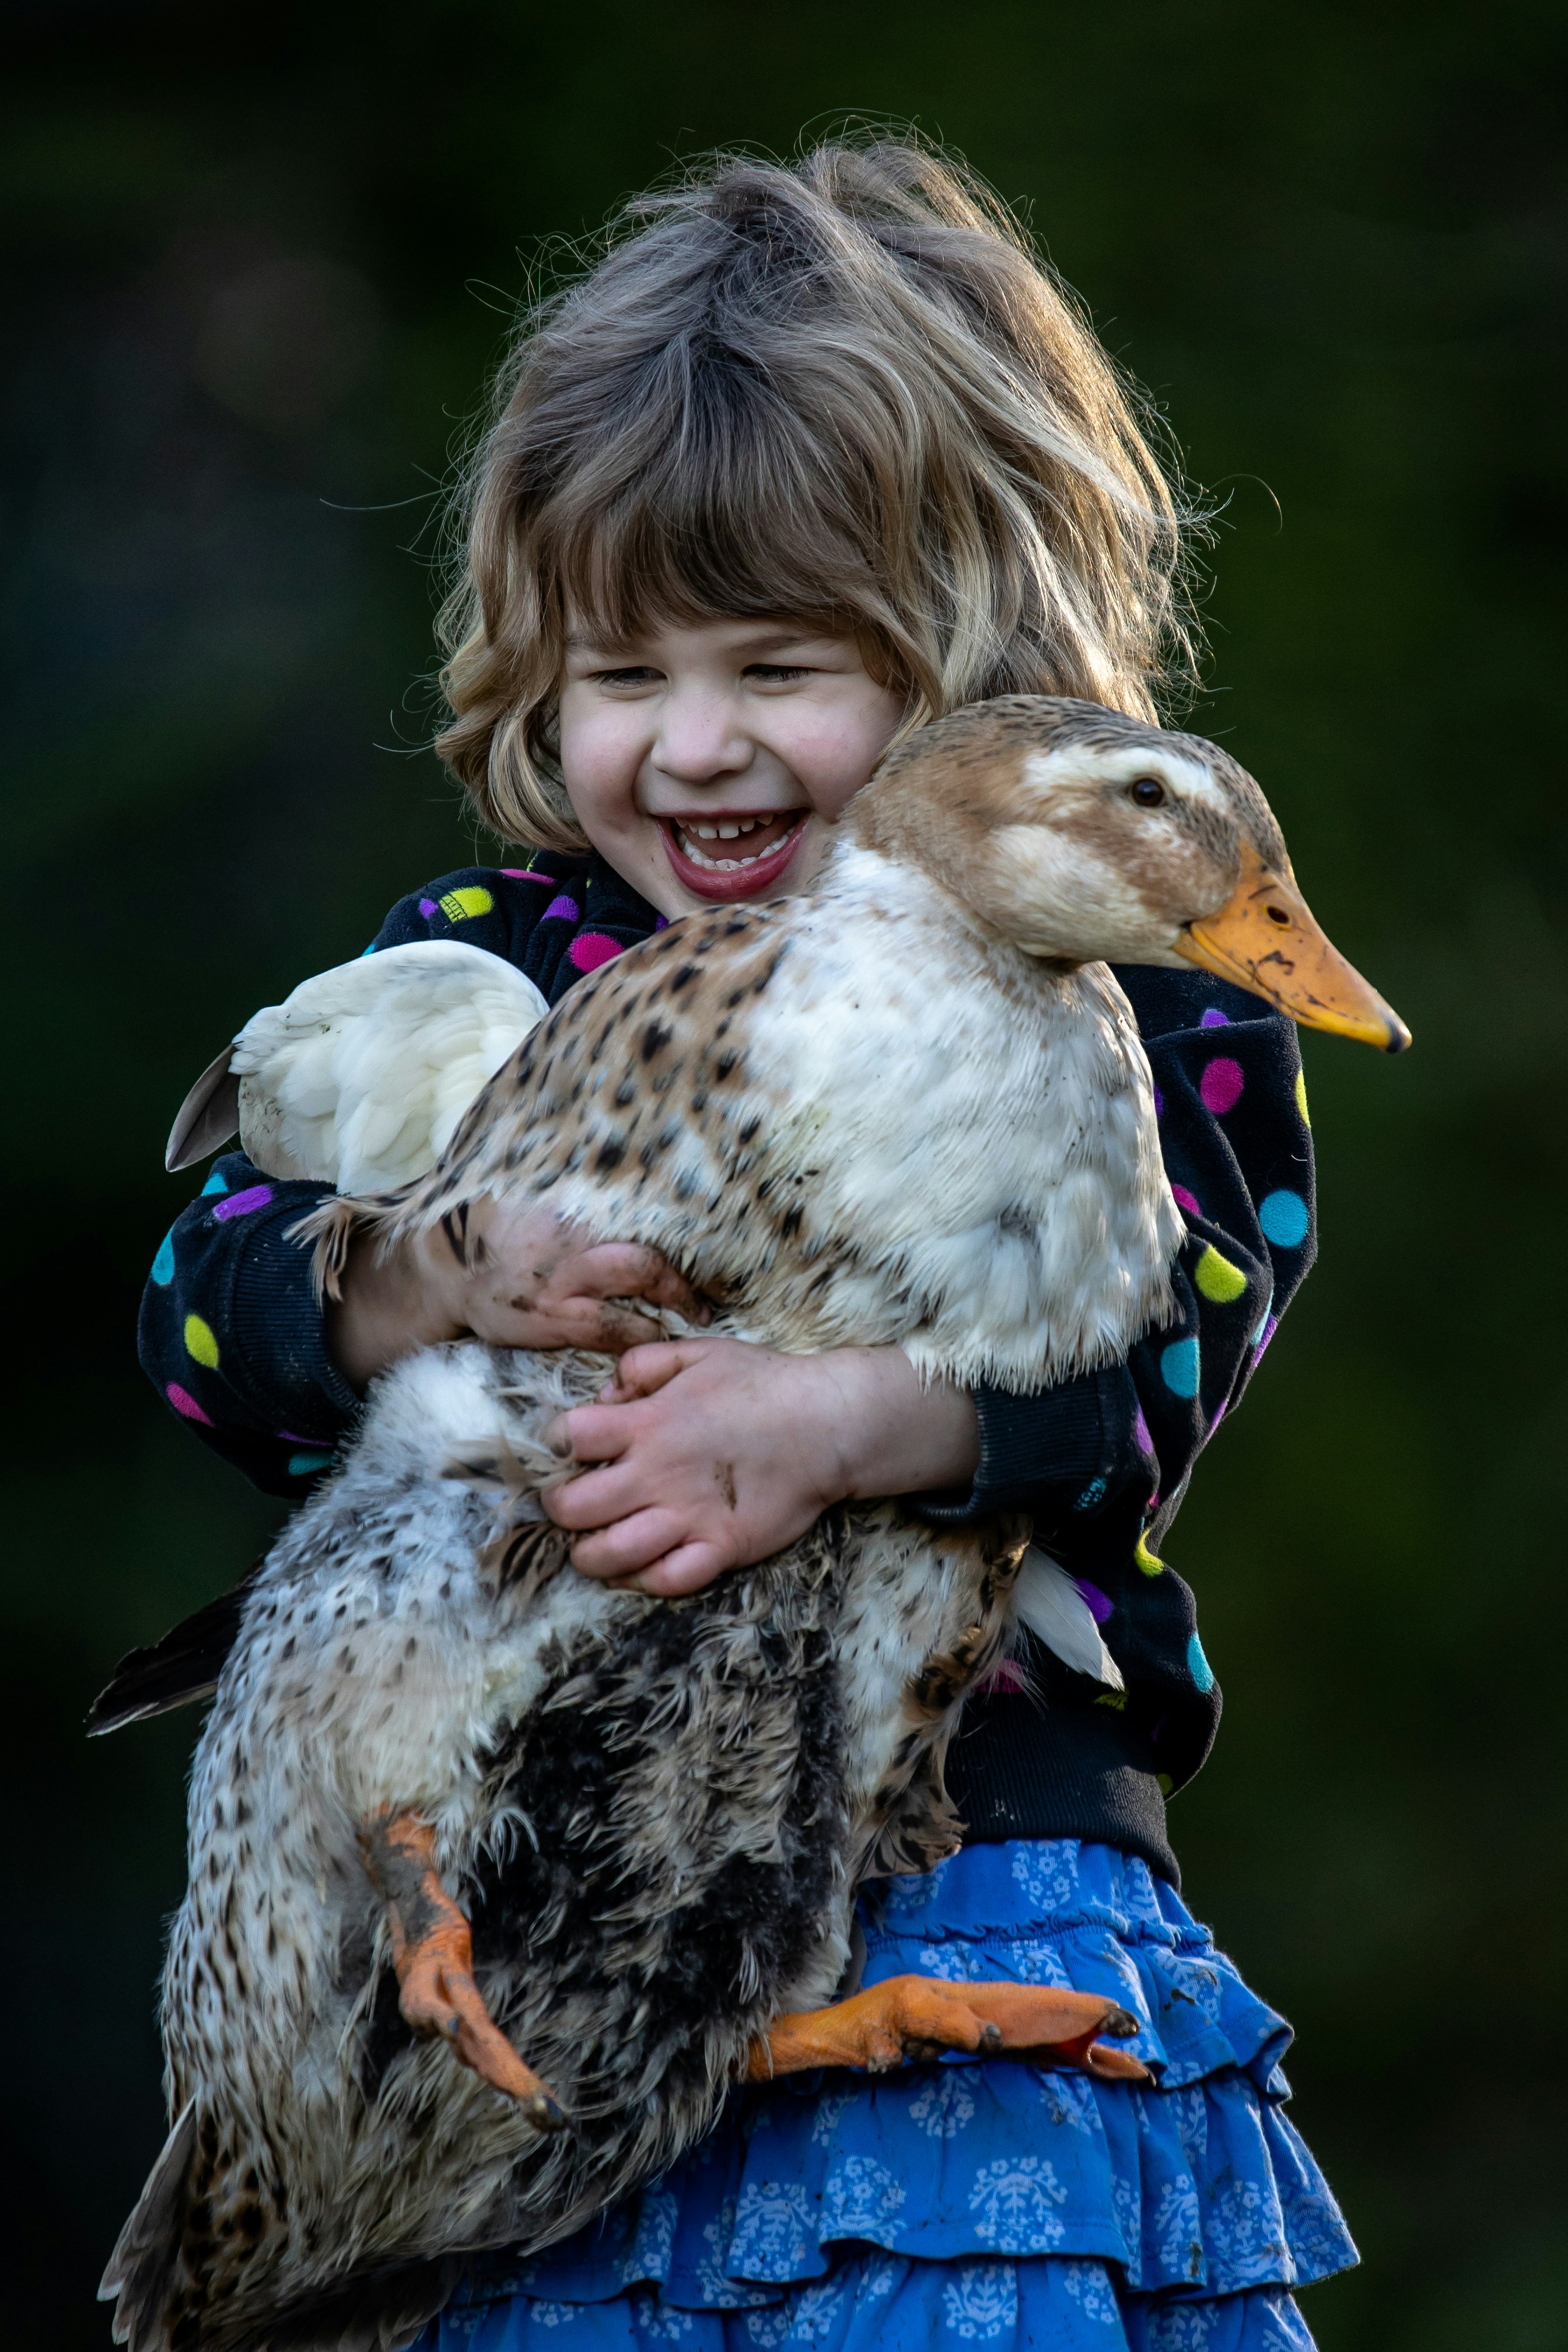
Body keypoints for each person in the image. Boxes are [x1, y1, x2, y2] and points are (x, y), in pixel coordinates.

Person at [139, 136, 1354, 2352]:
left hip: (970, 1860)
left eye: (782, 665)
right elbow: (201, 1328)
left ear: (979, 662)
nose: (695, 746)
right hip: (534, 1924)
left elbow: (1177, 1361)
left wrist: (851, 1420)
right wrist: (432, 1269)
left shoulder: (1153, 990)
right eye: (621, 675)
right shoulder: (506, 953)